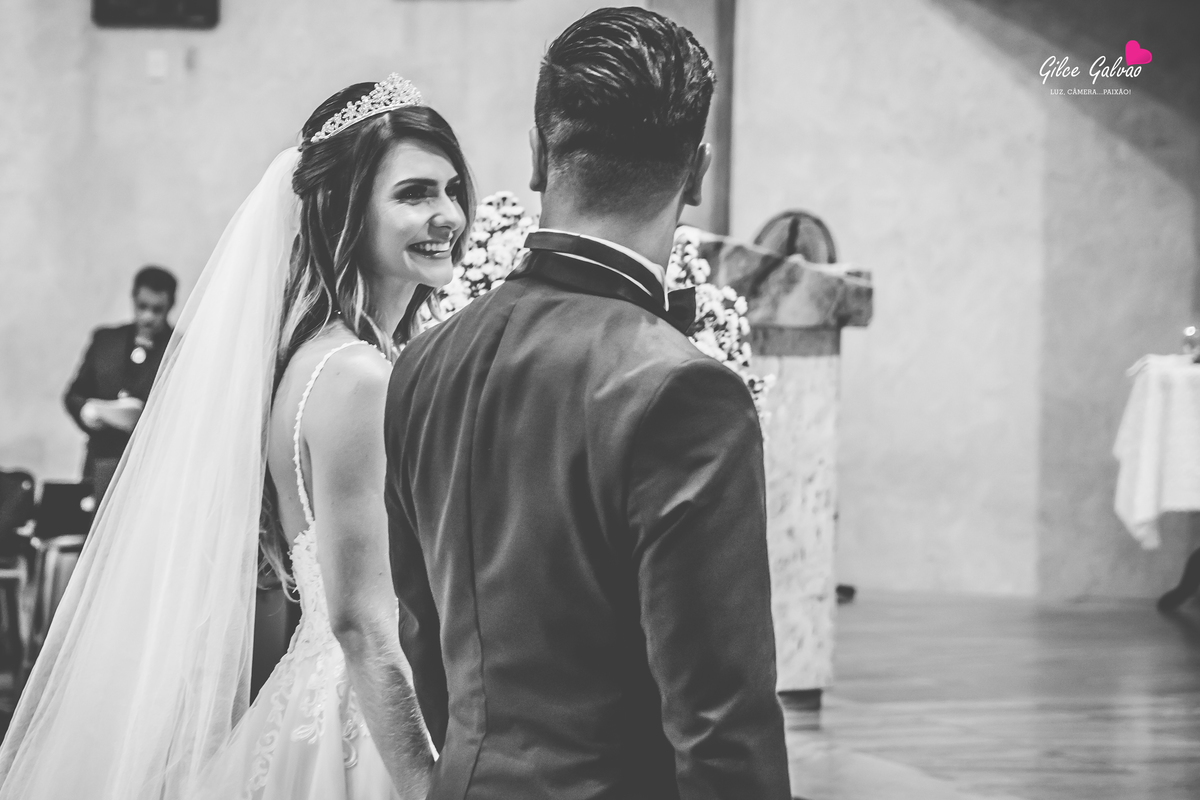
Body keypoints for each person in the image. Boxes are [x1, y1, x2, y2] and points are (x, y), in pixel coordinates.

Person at [0, 75, 472, 799]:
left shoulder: (322, 358)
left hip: (318, 704)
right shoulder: (357, 377)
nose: (449, 215)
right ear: (346, 213)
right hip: (366, 730)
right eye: (414, 194)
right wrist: (426, 786)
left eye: (451, 189)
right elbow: (363, 626)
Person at [385, 8, 792, 799]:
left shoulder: (424, 361)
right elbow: (720, 720)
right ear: (698, 173)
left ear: (538, 155)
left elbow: (421, 637)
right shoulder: (685, 391)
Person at [64, 265, 177, 500]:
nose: (148, 317)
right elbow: (74, 393)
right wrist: (87, 411)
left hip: (152, 466)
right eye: (142, 307)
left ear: (170, 306)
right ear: (133, 299)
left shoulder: (179, 349)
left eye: (157, 310)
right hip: (100, 460)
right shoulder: (106, 340)